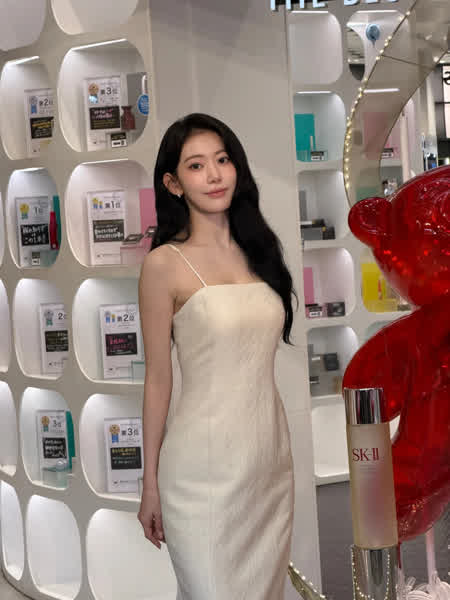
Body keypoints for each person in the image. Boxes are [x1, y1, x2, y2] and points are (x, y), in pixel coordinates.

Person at [137, 112, 298, 599]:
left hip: (267, 464)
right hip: (199, 474)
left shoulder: (260, 252)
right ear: (173, 184)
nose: (214, 174)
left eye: (222, 160)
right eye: (196, 165)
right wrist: (149, 484)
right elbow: (158, 380)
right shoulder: (163, 265)